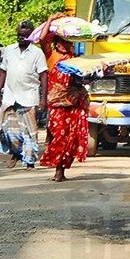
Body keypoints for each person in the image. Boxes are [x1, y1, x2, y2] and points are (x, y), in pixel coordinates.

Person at [38, 13, 89, 181]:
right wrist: (50, 20)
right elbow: (42, 40)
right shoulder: (53, 57)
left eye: (69, 42)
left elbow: (82, 79)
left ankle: (62, 170)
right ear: (57, 43)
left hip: (74, 104)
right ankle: (57, 169)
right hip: (58, 104)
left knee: (72, 138)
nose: (67, 45)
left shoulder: (76, 60)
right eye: (63, 41)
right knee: (59, 136)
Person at [0, 21, 48, 169]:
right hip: (10, 96)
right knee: (8, 130)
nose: (21, 38)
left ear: (30, 35)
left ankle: (30, 160)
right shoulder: (9, 50)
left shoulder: (37, 53)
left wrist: (43, 99)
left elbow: (43, 75)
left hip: (29, 96)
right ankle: (16, 153)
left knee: (29, 131)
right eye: (19, 35)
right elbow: (3, 72)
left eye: (24, 35)